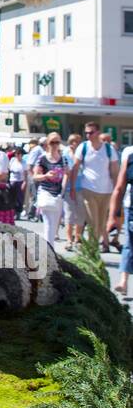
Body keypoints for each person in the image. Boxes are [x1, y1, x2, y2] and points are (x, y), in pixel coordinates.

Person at [70, 120, 119, 252]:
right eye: (86, 133)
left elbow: (115, 170)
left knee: (101, 223)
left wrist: (116, 190)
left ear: (98, 132)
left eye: (91, 132)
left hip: (106, 191)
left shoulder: (108, 149)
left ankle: (93, 249)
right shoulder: (83, 147)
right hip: (88, 189)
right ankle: (92, 250)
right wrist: (72, 187)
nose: (88, 135)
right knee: (93, 222)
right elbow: (75, 167)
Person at [32, 133, 67, 247]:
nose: (55, 145)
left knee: (54, 224)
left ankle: (49, 248)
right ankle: (49, 250)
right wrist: (46, 176)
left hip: (58, 195)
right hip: (45, 192)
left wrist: (63, 188)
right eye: (52, 142)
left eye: (57, 142)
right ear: (47, 143)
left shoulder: (63, 159)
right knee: (48, 223)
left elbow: (67, 174)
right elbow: (35, 176)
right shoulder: (42, 158)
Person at [108, 143, 133, 299]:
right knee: (129, 244)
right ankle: (123, 281)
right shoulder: (130, 155)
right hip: (131, 208)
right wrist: (113, 215)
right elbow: (119, 187)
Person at [61, 132, 85, 251]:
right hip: (69, 188)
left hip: (82, 187)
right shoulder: (65, 155)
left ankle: (78, 239)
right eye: (72, 142)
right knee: (69, 214)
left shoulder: (83, 154)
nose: (74, 144)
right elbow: (66, 171)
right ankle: (69, 239)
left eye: (77, 142)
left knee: (81, 214)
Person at [8, 145, 26, 219]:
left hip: (20, 181)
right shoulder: (12, 160)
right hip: (12, 180)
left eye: (19, 154)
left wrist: (24, 182)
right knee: (11, 197)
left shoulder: (24, 162)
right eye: (16, 153)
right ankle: (12, 212)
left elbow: (25, 173)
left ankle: (18, 212)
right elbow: (8, 169)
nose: (17, 155)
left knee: (19, 198)